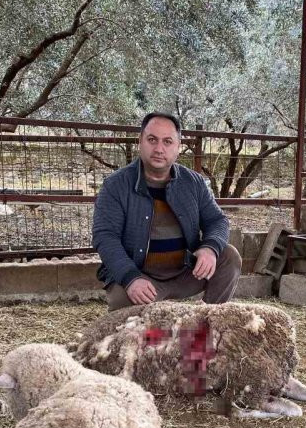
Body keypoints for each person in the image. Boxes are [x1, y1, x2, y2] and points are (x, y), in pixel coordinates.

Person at [92, 111, 241, 311]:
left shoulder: (193, 182)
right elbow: (105, 236)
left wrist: (209, 248)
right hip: (142, 277)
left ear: (178, 147)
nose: (159, 149)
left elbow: (217, 220)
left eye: (168, 142)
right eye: (152, 140)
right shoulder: (116, 185)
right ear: (140, 142)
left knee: (228, 257)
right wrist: (130, 278)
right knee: (124, 302)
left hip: (187, 272)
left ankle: (209, 320)